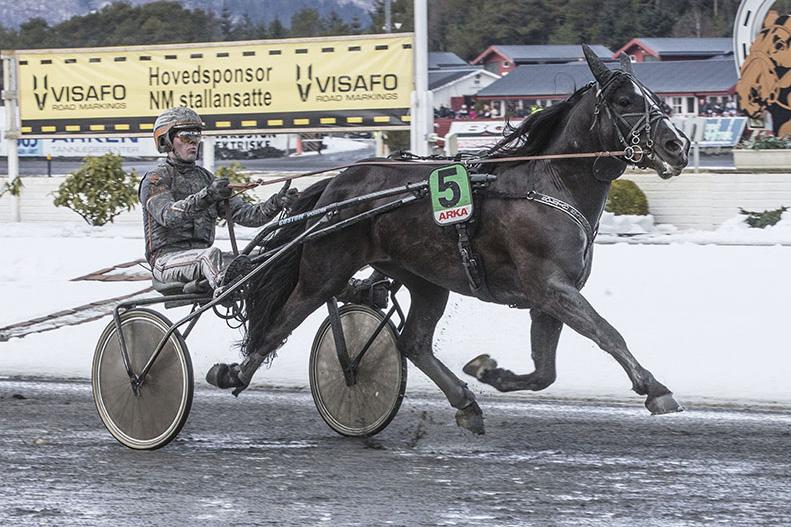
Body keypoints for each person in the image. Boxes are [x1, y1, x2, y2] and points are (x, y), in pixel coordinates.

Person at [139, 107, 298, 294]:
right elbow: (168, 216)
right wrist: (208, 196)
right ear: (166, 141)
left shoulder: (206, 179)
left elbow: (248, 216)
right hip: (167, 262)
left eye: (196, 136)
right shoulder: (155, 179)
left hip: (202, 259)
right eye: (185, 136)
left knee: (262, 256)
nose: (193, 142)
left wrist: (277, 203)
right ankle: (225, 291)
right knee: (210, 255)